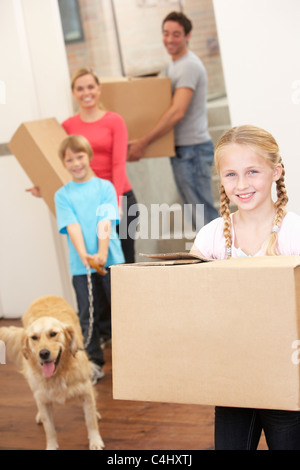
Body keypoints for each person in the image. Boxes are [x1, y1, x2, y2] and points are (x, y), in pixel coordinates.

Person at [191, 124, 300, 450]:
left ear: (276, 172)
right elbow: (189, 304)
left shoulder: (294, 233)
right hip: (232, 378)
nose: (241, 185)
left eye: (252, 172)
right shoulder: (210, 237)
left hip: (287, 377)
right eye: (231, 175)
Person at [127, 11, 218, 229]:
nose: (169, 39)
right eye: (166, 33)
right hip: (183, 152)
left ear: (188, 36)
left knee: (204, 216)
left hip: (192, 151)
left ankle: (221, 261)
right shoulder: (173, 66)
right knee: (197, 216)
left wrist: (143, 142)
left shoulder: (188, 65)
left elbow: (177, 112)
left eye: (176, 34)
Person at [54, 135, 125, 384]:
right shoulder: (62, 195)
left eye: (80, 156)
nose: (76, 163)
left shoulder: (105, 187)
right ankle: (95, 362)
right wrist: (85, 254)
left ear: (89, 156)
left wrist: (102, 252)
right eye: (69, 159)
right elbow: (72, 226)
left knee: (122, 310)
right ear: (63, 163)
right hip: (80, 266)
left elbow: (104, 220)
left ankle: (131, 360)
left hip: (111, 259)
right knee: (88, 315)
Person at [63, 67, 137, 264]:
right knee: (100, 264)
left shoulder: (114, 121)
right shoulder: (67, 127)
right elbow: (61, 162)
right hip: (89, 202)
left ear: (99, 89)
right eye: (80, 89)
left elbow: (118, 163)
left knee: (126, 262)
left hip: (121, 198)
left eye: (90, 87)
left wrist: (117, 201)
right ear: (73, 93)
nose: (86, 93)